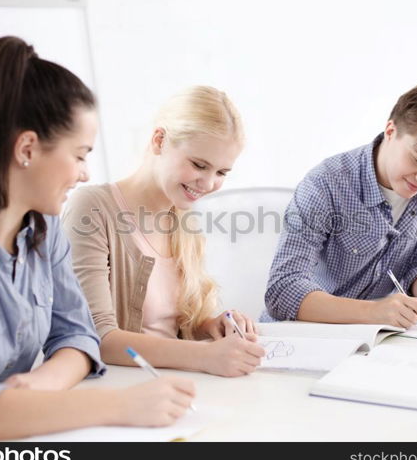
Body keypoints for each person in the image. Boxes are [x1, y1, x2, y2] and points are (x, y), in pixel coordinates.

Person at [0, 36, 194, 441]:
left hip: (11, 429)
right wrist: (121, 406)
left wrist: (36, 388)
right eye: (80, 154)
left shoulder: (43, 234)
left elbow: (77, 336)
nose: (85, 173)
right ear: (27, 148)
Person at [262, 81, 417, 329]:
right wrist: (374, 312)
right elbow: (283, 290)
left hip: (378, 339)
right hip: (302, 337)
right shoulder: (325, 183)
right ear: (390, 131)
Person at [62, 86, 265, 377]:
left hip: (173, 386)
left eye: (221, 173)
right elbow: (99, 338)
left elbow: (168, 327)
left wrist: (208, 327)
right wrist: (205, 355)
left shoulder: (183, 218)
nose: (207, 184)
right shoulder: (92, 208)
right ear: (159, 140)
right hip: (120, 390)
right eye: (199, 164)